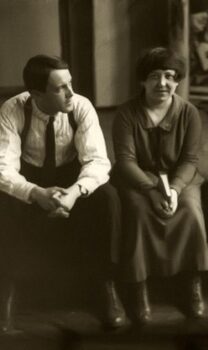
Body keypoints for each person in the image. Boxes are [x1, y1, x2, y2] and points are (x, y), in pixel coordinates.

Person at [0, 55, 125, 331]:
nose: (71, 93)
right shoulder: (13, 109)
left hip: (70, 177)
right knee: (2, 202)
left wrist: (73, 193)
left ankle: (106, 285)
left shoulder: (80, 106)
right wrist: (35, 193)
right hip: (30, 178)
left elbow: (97, 161)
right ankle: (6, 287)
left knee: (109, 199)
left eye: (70, 83)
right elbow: (3, 168)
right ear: (36, 93)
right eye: (60, 88)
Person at [111, 47, 208, 324]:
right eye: (154, 76)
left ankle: (192, 284)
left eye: (170, 76)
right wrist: (150, 190)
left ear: (178, 81)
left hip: (180, 177)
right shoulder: (126, 114)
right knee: (139, 211)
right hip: (137, 178)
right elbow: (125, 160)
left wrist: (176, 189)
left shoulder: (189, 113)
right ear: (142, 81)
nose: (163, 84)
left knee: (191, 211)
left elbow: (191, 159)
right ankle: (139, 287)